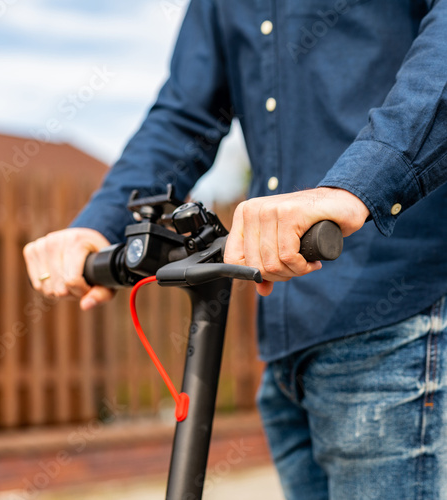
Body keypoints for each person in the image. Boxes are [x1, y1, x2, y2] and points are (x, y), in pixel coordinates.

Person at [24, 1, 447, 498]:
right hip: (287, 343)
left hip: (403, 321)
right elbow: (185, 114)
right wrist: (98, 224)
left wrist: (357, 185)